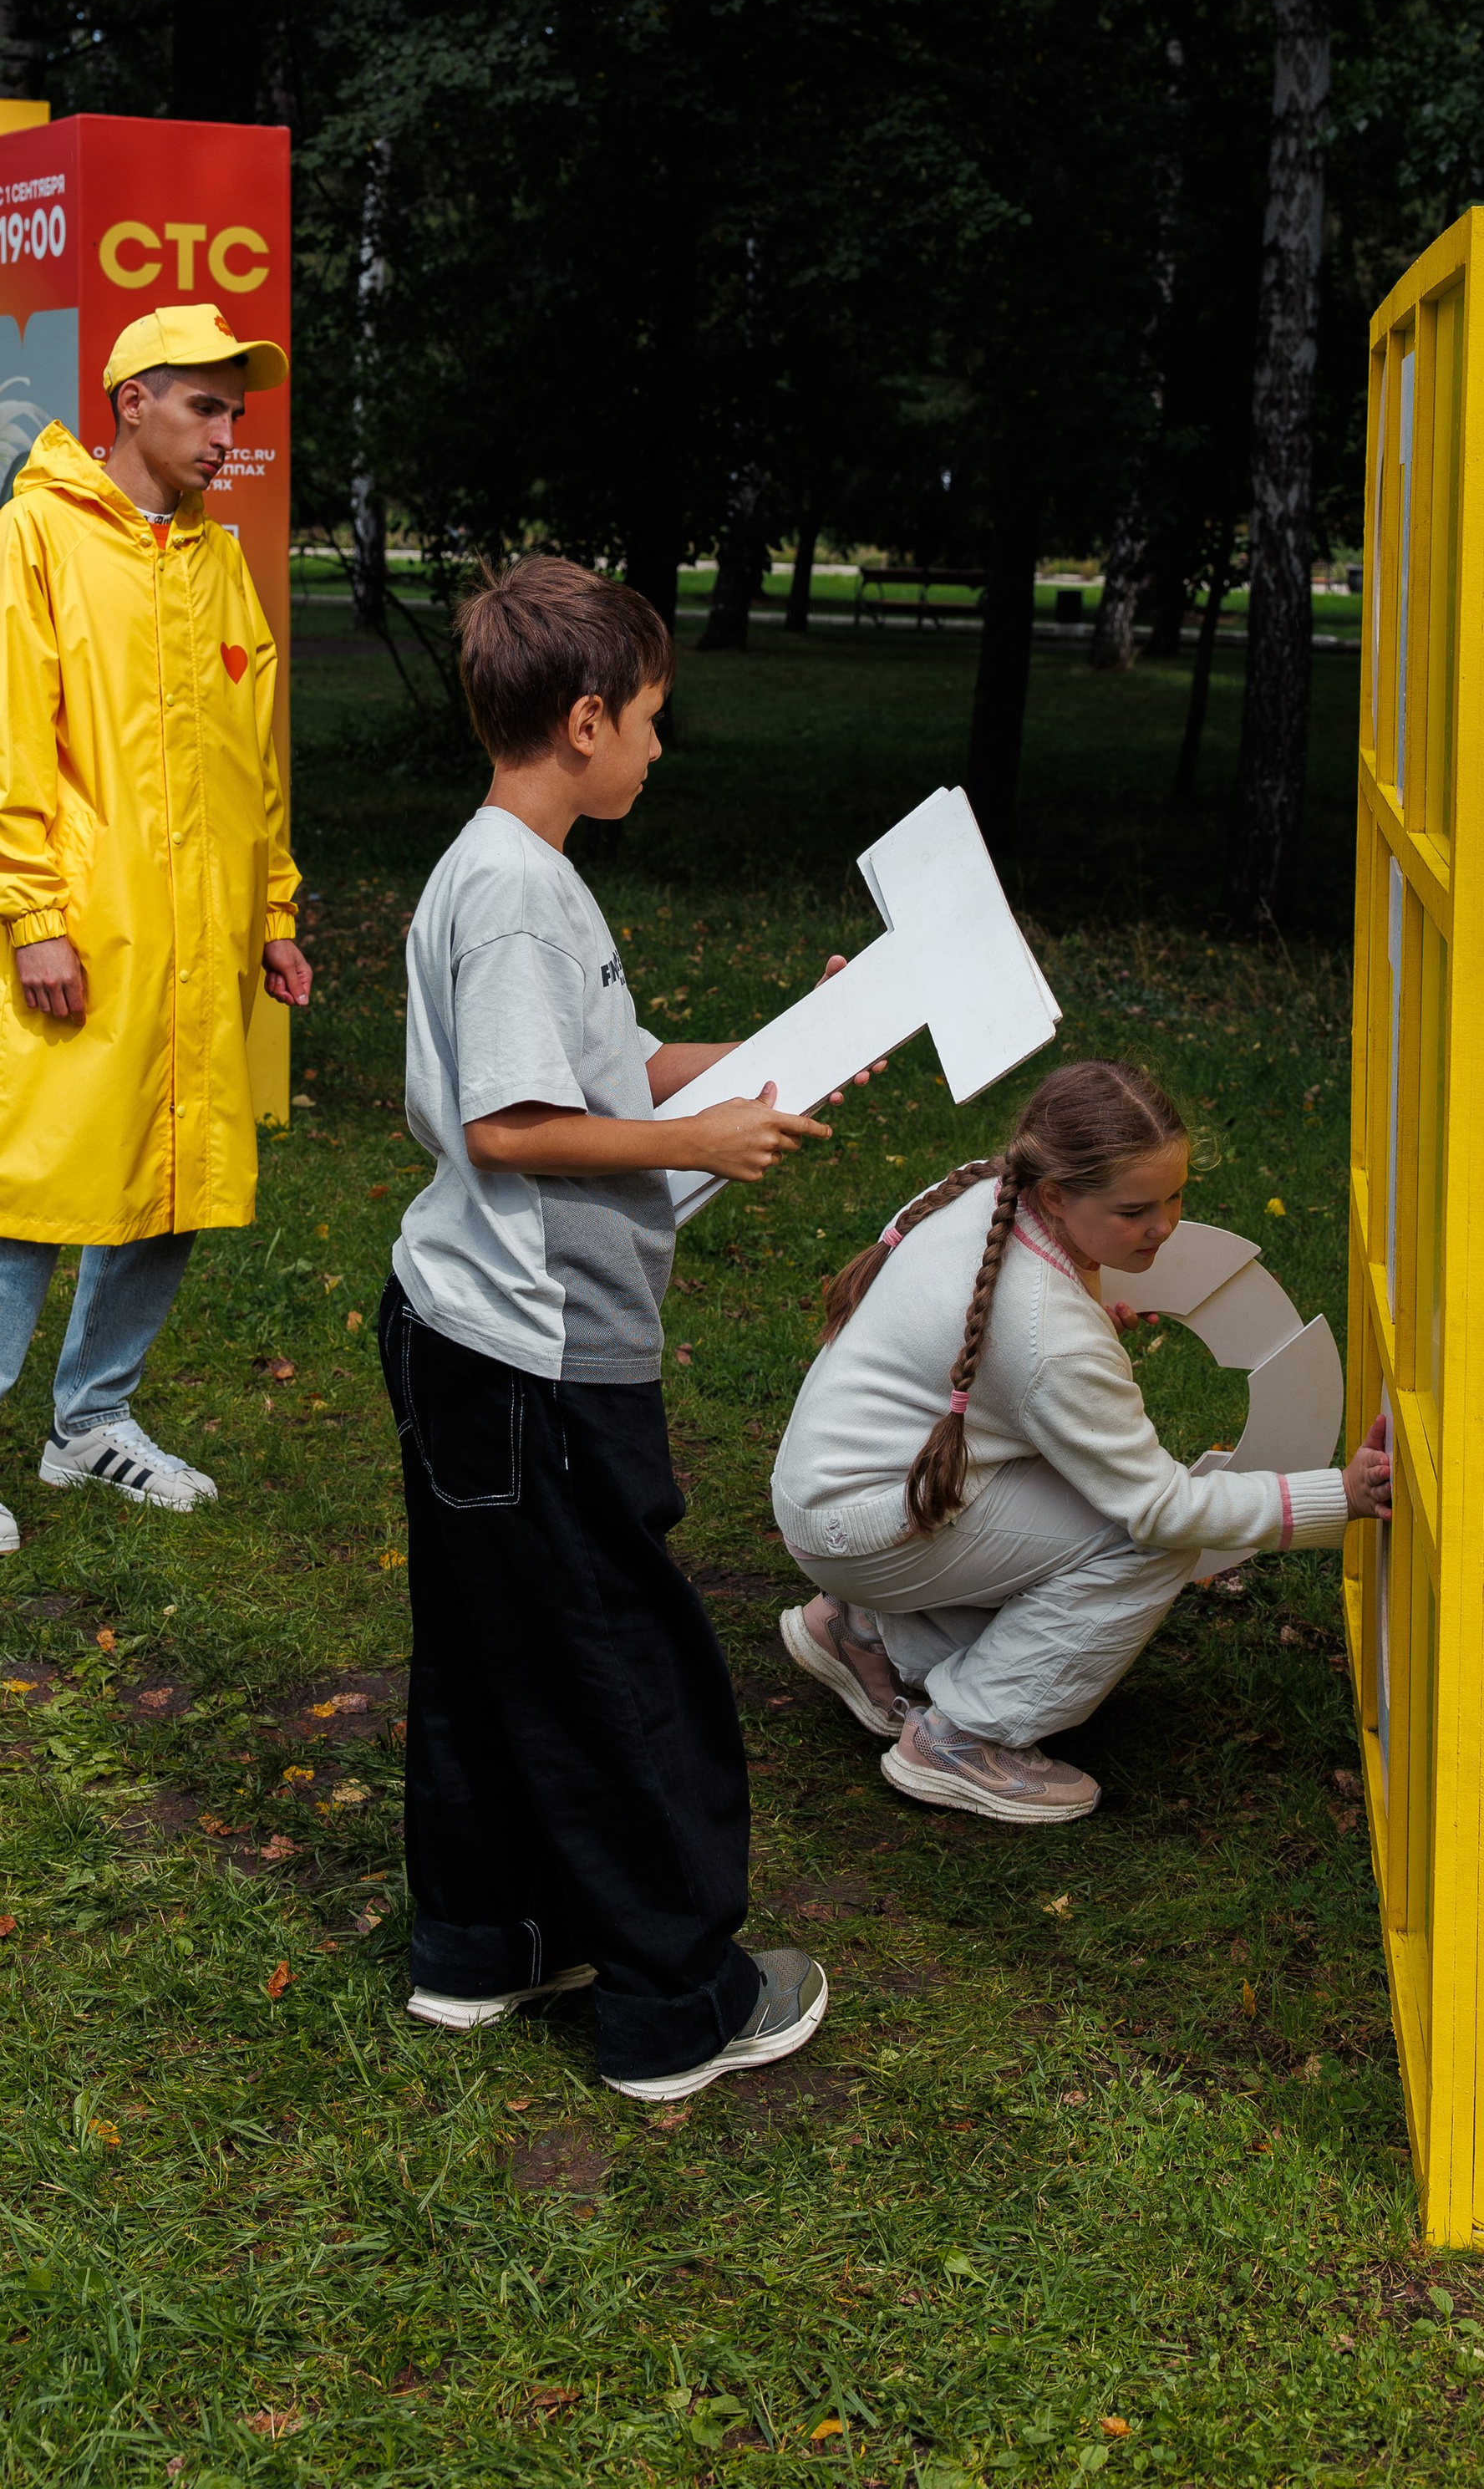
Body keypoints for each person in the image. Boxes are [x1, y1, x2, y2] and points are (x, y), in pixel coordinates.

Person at [379, 554, 855, 2104]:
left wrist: (789, 1053)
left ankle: (487, 1938)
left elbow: (614, 1062)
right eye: (652, 718)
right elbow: (515, 1127)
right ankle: (673, 2005)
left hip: (473, 1343)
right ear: (586, 719)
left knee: (490, 1651)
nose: (661, 743)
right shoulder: (520, 894)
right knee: (618, 1669)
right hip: (529, 1358)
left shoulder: (511, 866)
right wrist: (701, 1148)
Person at [0, 301, 311, 1558]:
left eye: (235, 408)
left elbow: (252, 762)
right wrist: (31, 918)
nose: (228, 431)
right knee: (25, 1183)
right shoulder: (37, 535)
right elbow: (4, 734)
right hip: (77, 930)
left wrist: (272, 909)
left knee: (168, 1182)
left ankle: (91, 1422)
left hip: (196, 941)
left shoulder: (215, 561)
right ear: (133, 401)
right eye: (206, 405)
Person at [771, 1059, 1393, 1824]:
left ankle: (865, 1633)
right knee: (1147, 1541)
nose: (1163, 1225)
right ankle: (964, 1739)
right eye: (1136, 1209)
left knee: (1091, 1501)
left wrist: (1082, 1312)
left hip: (833, 1489)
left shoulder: (984, 1187)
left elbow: (1005, 1357)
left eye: (1175, 1196)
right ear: (1058, 1194)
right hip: (863, 1528)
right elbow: (1160, 1509)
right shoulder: (1046, 1337)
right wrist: (1347, 1495)